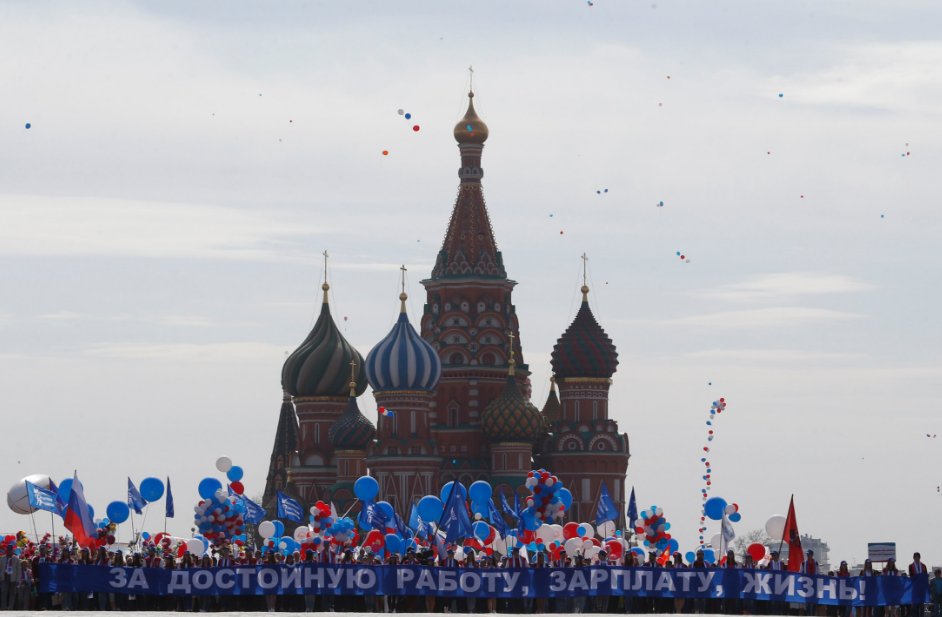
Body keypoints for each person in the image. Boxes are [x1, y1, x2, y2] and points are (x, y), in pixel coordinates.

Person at [801, 550, 818, 616]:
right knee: (808, 603)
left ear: (812, 555)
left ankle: (812, 614)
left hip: (814, 586)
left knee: (813, 603)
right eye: (807, 555)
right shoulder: (803, 563)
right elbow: (800, 573)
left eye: (809, 554)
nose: (808, 556)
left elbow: (818, 573)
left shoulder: (816, 563)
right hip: (806, 585)